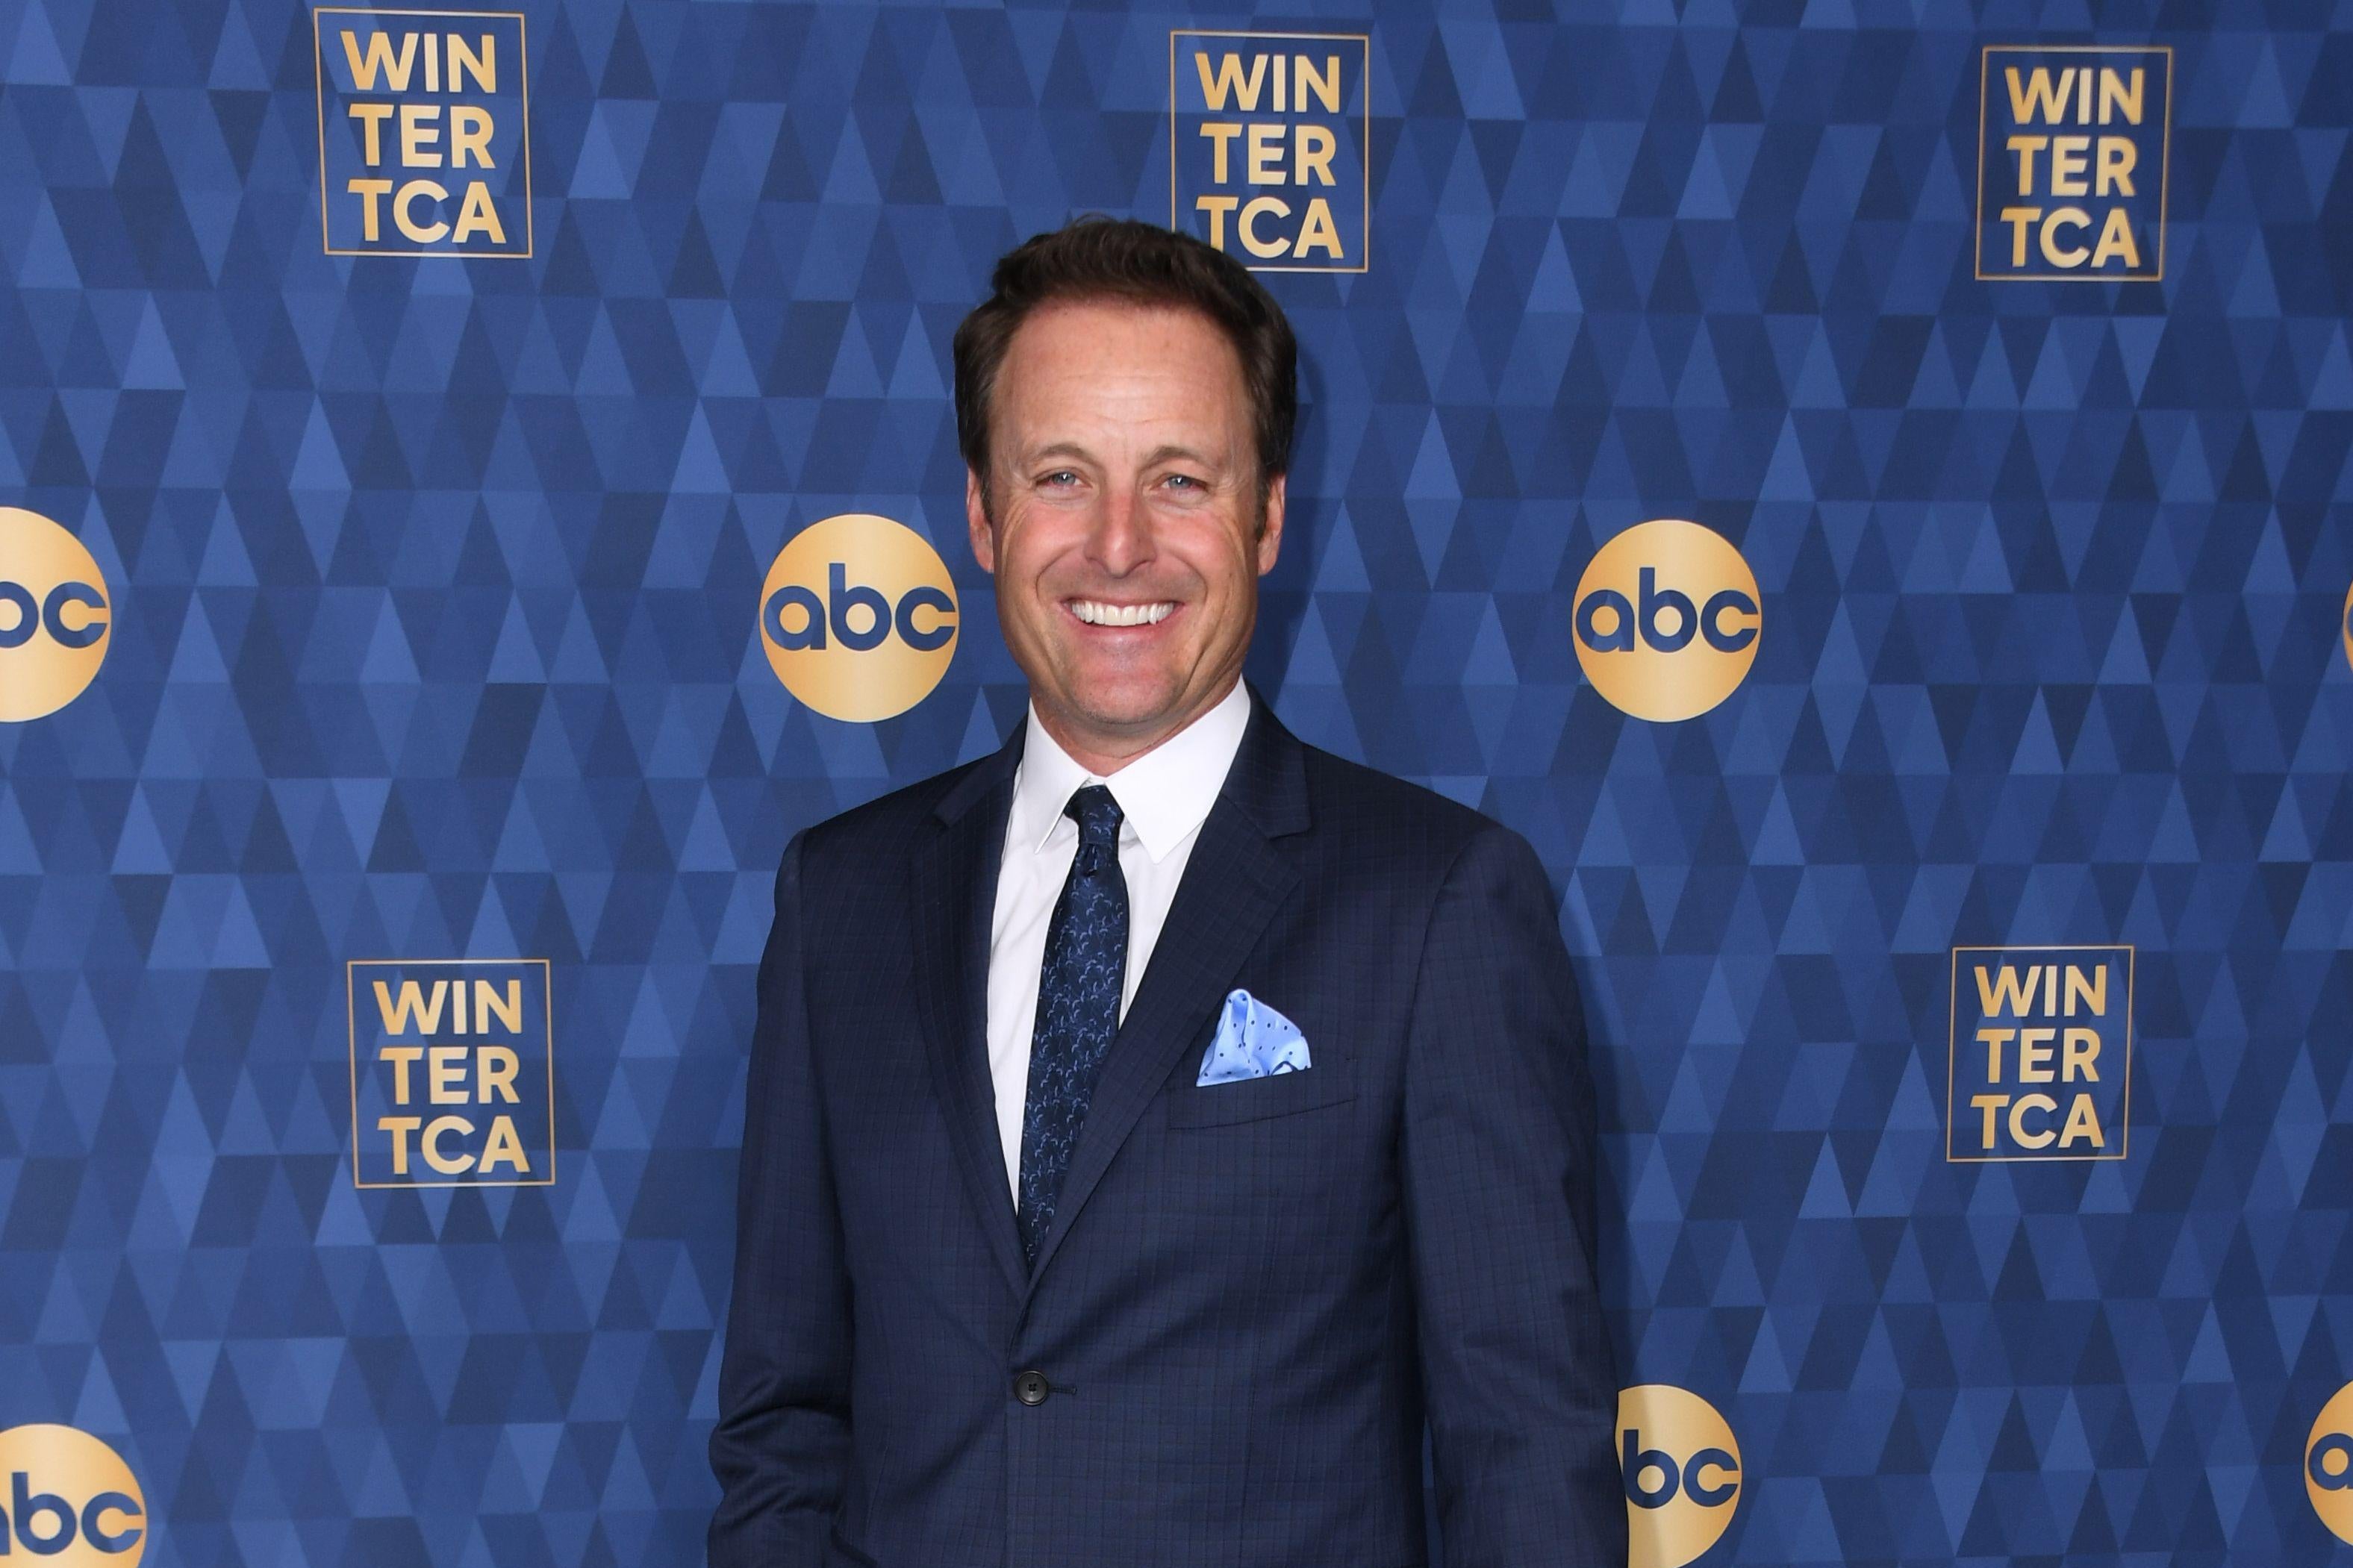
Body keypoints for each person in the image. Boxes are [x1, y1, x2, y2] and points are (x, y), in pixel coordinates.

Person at [708, 216, 1623, 1567]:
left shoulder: (1437, 906)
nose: (1118, 546)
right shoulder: (841, 898)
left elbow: (1527, 1460)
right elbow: (787, 1422)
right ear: (980, 511)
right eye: (1062, 475)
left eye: (1180, 480)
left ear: (1265, 515)